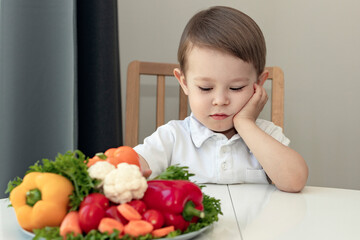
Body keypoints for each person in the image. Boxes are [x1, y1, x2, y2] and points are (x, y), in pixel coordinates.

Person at [135, 6, 308, 192]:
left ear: (258, 84)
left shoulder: (266, 134)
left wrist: (245, 123)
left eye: (236, 88)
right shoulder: (172, 137)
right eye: (205, 88)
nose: (220, 100)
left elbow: (294, 181)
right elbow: (132, 166)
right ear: (184, 83)